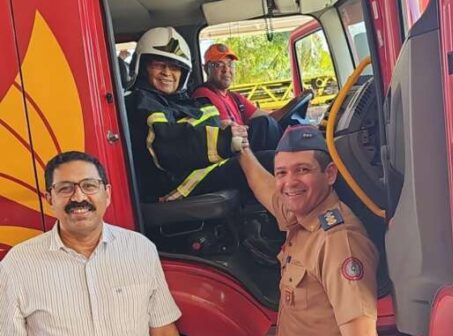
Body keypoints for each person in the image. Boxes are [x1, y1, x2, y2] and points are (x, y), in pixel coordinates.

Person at [0, 151, 181, 336]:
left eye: (89, 186)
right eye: (65, 188)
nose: (79, 197)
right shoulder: (17, 265)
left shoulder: (141, 250)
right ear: (49, 199)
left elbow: (164, 329)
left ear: (107, 194)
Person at [238, 125, 379, 336]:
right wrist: (241, 147)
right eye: (281, 173)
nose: (290, 182)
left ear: (330, 174)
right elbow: (263, 186)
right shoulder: (300, 213)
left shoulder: (338, 242)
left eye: (302, 170)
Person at [125, 27, 274, 203]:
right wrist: (224, 139)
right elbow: (168, 144)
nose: (167, 73)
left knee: (277, 158)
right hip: (178, 182)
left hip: (199, 171)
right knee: (275, 163)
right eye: (158, 65)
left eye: (175, 67)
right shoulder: (142, 102)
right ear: (142, 67)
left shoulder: (180, 101)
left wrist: (223, 128)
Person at [192, 43, 284, 151]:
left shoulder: (235, 98)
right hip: (234, 154)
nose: (226, 70)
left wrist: (295, 103)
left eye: (230, 65)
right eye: (219, 65)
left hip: (245, 149)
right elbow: (228, 133)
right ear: (207, 68)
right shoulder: (204, 95)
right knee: (265, 125)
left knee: (266, 122)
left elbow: (272, 116)